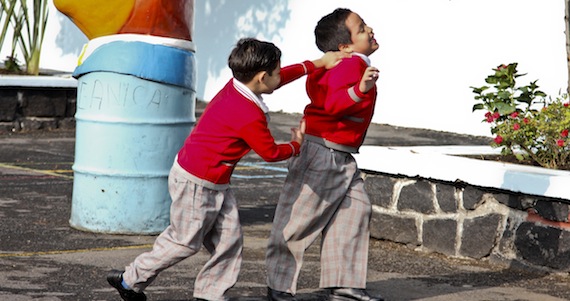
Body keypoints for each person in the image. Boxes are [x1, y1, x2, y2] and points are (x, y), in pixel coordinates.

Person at [106, 37, 346, 301]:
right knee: (183, 242)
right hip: (196, 182)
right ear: (263, 77)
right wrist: (296, 144)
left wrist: (317, 63)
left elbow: (278, 79)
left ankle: (211, 295)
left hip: (214, 181)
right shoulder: (248, 113)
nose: (281, 74)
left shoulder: (238, 85)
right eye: (277, 71)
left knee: (229, 242)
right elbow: (270, 153)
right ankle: (130, 280)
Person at [265, 8, 383, 301]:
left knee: (355, 211)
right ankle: (279, 286)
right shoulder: (349, 66)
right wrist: (361, 88)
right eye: (360, 28)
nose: (369, 29)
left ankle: (344, 283)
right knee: (298, 221)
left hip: (339, 154)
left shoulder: (350, 64)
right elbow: (332, 104)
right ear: (345, 46)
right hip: (323, 153)